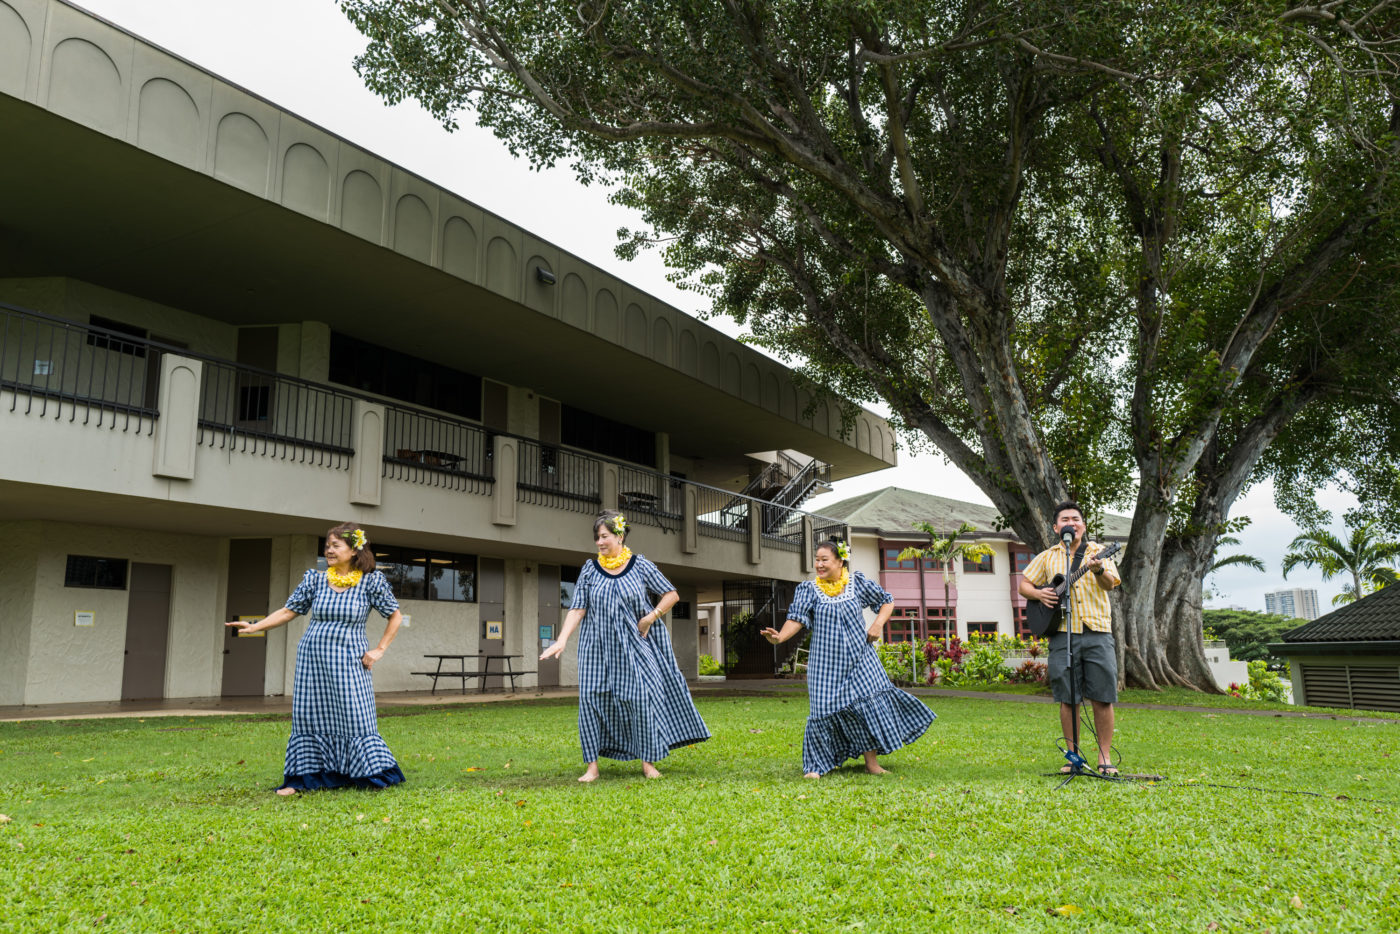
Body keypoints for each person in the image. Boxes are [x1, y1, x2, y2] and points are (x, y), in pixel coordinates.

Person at [226, 522, 404, 795]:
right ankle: (303, 779)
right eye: (327, 546)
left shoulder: (371, 582)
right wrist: (255, 626)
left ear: (354, 550)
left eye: (335, 545)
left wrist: (379, 649)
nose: (329, 551)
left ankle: (365, 773)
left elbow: (395, 615)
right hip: (313, 659)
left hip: (349, 660)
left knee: (355, 716)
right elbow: (289, 611)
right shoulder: (315, 580)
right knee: (309, 717)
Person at [540, 510, 710, 782]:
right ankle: (592, 767)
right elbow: (577, 608)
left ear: (619, 536)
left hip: (634, 646)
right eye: (597, 537)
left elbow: (671, 594)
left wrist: (650, 618)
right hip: (596, 647)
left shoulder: (640, 565)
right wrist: (561, 639)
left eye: (604, 536)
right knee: (592, 700)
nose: (599, 542)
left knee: (641, 698)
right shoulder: (589, 570)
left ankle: (648, 762)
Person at [761, 540, 935, 778]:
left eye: (825, 560)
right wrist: (780, 637)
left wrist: (877, 624)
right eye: (817, 560)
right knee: (822, 711)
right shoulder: (809, 590)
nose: (819, 565)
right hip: (825, 665)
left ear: (839, 561)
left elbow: (886, 601)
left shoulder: (857, 583)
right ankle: (816, 766)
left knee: (866, 708)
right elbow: (796, 618)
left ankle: (872, 764)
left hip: (860, 660)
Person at [1017, 500, 1122, 775]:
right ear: (1056, 527)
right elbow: (1023, 585)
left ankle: (1104, 757)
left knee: (1103, 696)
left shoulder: (1100, 552)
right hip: (1062, 633)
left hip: (1097, 631)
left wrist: (1098, 569)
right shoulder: (1048, 556)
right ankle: (1072, 756)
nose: (1070, 523)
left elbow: (1110, 584)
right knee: (1068, 697)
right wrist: (1039, 594)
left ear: (1083, 525)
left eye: (1075, 518)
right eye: (1065, 519)